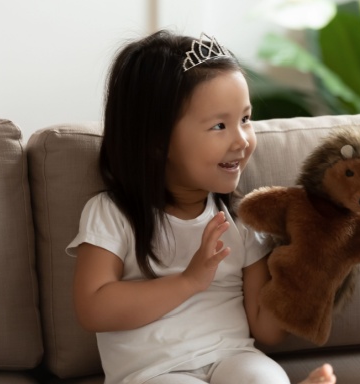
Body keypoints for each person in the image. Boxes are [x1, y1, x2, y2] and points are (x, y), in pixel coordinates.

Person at [67, 30, 336, 384]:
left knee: (263, 378)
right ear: (157, 141)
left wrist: (312, 265)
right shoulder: (113, 214)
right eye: (219, 126)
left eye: (245, 119)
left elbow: (267, 331)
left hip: (232, 356)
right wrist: (189, 281)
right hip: (154, 373)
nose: (241, 139)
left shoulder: (242, 218)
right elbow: (93, 308)